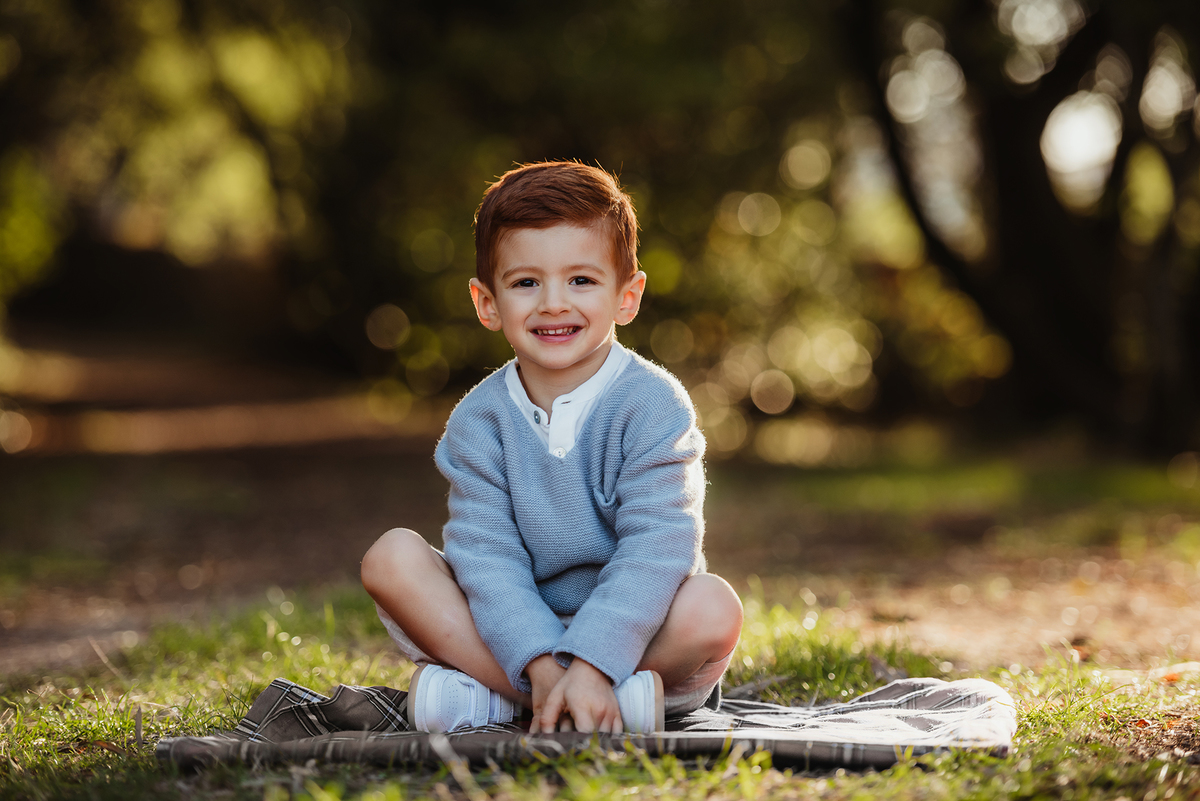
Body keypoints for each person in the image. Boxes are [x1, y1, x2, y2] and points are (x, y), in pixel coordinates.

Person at [360, 161, 743, 735]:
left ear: (627, 296)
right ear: (488, 303)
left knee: (713, 606)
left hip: (638, 630)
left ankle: (533, 695)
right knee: (390, 558)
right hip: (509, 633)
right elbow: (487, 560)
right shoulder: (478, 420)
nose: (554, 303)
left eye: (581, 280)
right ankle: (560, 697)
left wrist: (593, 662)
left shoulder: (653, 405)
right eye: (526, 282)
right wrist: (542, 665)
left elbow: (657, 550)